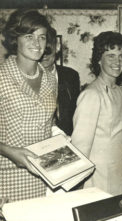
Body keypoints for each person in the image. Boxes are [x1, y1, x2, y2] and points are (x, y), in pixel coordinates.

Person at [0, 9, 56, 202]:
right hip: (5, 177)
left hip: (41, 177)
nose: (37, 43)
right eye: (29, 36)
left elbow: (47, 125)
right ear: (16, 38)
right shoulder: (1, 77)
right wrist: (9, 151)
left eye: (41, 37)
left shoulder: (50, 78)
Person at [71, 31, 122, 196]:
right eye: (110, 56)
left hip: (121, 169)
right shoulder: (91, 95)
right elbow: (80, 147)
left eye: (121, 56)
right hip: (99, 175)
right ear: (99, 59)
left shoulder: (119, 91)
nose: (117, 61)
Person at [41, 27, 80, 136]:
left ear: (57, 47)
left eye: (48, 49)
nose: (44, 54)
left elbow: (75, 113)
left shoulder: (71, 76)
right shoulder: (25, 77)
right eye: (41, 48)